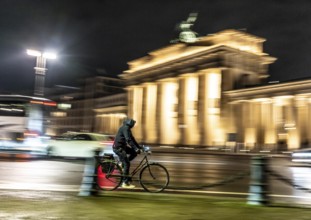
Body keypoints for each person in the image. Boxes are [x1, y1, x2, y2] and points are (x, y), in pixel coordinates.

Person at [113, 118, 142, 188]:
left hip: (123, 147)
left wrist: (139, 147)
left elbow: (132, 139)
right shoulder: (125, 128)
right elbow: (128, 140)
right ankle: (125, 183)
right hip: (118, 148)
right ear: (129, 123)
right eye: (132, 123)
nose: (133, 125)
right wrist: (136, 148)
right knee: (127, 164)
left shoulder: (127, 129)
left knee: (134, 153)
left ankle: (122, 163)